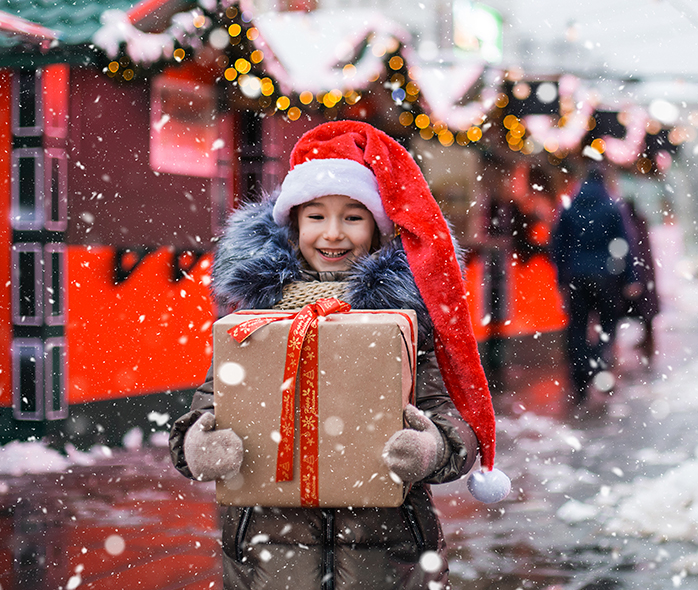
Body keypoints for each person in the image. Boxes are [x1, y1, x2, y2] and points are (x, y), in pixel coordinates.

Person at [168, 121, 509, 589]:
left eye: (352, 217)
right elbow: (208, 406)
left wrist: (431, 448)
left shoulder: (405, 323)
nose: (333, 234)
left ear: (377, 228)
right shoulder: (256, 318)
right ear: (292, 226)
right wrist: (198, 446)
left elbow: (453, 423)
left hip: (387, 553)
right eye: (315, 217)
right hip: (270, 552)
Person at [549, 164, 637, 404]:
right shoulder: (612, 207)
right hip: (606, 276)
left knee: (577, 326)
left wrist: (562, 277)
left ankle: (579, 375)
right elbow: (625, 243)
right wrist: (631, 278)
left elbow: (557, 245)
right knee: (608, 323)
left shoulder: (569, 207)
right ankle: (597, 362)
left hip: (577, 277)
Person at [617, 196, 660, 365]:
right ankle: (648, 344)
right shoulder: (639, 223)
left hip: (634, 274)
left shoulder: (628, 224)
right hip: (642, 273)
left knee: (638, 311)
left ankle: (609, 349)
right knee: (646, 312)